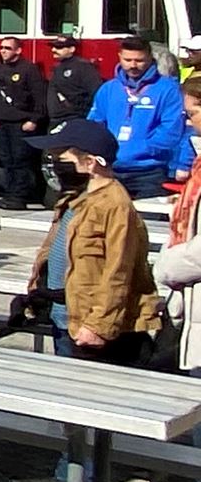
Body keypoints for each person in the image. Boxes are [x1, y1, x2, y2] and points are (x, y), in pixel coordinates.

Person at [18, 119, 160, 367]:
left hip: (92, 329)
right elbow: (56, 254)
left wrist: (99, 326)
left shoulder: (114, 206)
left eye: (62, 159)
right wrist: (37, 294)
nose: (55, 166)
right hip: (65, 319)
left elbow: (118, 272)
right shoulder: (74, 199)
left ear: (90, 162)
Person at [88, 35, 193, 201]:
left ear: (150, 58)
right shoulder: (108, 89)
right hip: (110, 170)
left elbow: (171, 130)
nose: (133, 65)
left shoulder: (168, 89)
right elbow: (95, 124)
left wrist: (143, 149)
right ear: (119, 57)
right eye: (127, 60)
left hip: (149, 172)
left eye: (139, 60)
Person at [0, 33, 51, 210]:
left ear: (18, 50)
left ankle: (20, 197)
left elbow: (39, 97)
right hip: (3, 123)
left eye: (8, 48)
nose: (3, 51)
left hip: (21, 123)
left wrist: (34, 119)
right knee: (7, 161)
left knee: (21, 161)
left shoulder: (29, 69)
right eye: (1, 48)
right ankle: (9, 195)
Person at [48, 29, 104, 125]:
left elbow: (97, 93)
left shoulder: (83, 67)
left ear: (72, 49)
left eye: (59, 47)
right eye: (53, 47)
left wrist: (77, 110)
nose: (53, 50)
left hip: (75, 119)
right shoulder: (57, 68)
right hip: (56, 120)